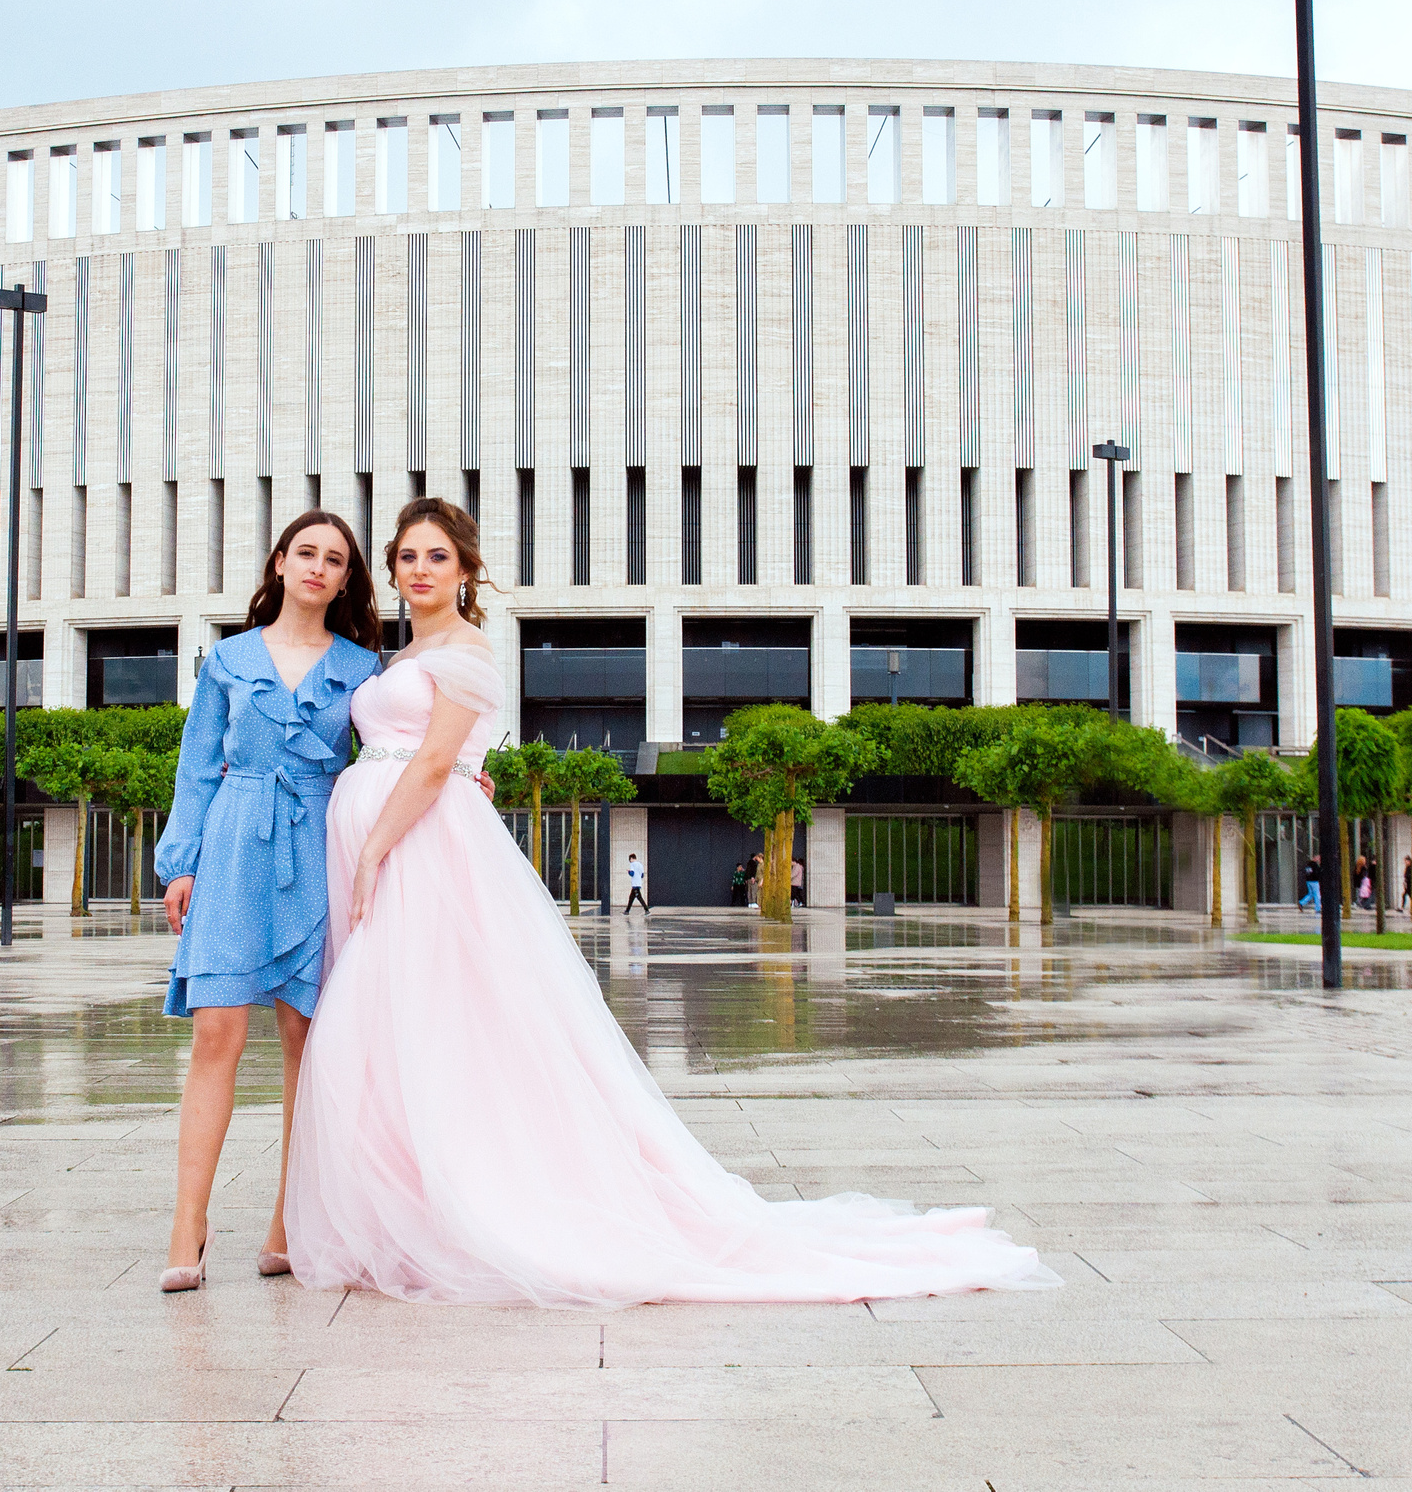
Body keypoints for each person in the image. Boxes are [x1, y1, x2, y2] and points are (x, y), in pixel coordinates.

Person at [286, 497, 1057, 1307]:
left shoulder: (469, 649)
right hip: (392, 842)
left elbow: (438, 760)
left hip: (423, 850)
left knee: (436, 1018)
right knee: (398, 1023)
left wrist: (375, 846)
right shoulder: (397, 653)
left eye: (436, 556)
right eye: (407, 555)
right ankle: (404, 1198)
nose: (419, 569)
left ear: (467, 569)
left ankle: (465, 1198)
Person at [154, 510, 382, 1292]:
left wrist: (462, 779)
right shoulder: (227, 659)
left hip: (320, 840)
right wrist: (179, 861)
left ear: (347, 579)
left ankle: (289, 1215)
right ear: (280, 562)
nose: (318, 567)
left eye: (335, 559)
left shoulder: (363, 668)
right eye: (306, 552)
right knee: (217, 1029)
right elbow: (195, 768)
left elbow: (392, 753)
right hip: (233, 838)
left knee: (304, 1040)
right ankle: (189, 1219)